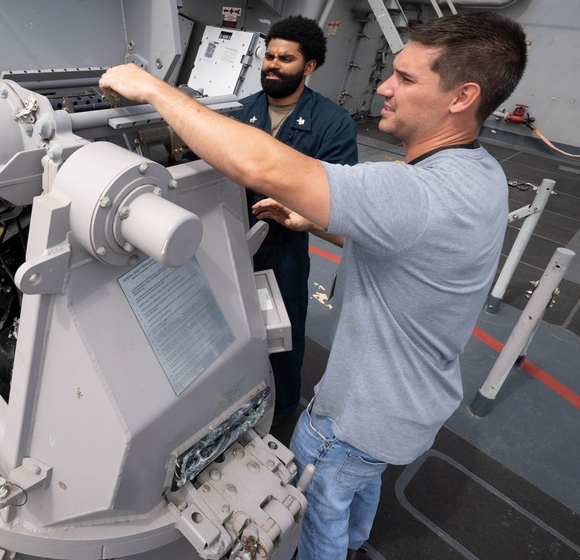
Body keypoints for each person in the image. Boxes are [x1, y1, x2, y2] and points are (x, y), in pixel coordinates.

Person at [99, 11, 527, 560]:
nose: (384, 87)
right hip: (408, 408)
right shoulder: (480, 173)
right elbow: (415, 245)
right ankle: (357, 539)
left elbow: (261, 163)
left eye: (407, 78)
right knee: (356, 487)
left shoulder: (414, 191)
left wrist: (150, 88)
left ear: (462, 96)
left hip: (353, 415)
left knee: (314, 512)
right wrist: (317, 221)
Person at [231, 15, 358, 427]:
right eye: (268, 56)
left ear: (309, 66)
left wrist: (300, 213)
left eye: (285, 58)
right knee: (228, 326)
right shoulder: (239, 112)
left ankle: (284, 408)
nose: (272, 64)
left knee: (282, 335)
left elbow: (339, 200)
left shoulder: (331, 123)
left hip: (282, 249)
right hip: (228, 239)